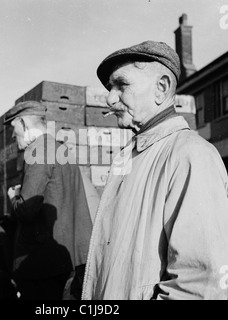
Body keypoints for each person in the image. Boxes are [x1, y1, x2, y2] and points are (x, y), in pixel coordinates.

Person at [81, 40, 228, 300]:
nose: (110, 98)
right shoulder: (133, 154)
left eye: (121, 85)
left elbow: (201, 284)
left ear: (161, 88)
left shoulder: (190, 154)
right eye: (109, 87)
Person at [4, 101, 93, 300]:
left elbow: (27, 211)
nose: (12, 135)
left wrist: (14, 197)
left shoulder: (37, 151)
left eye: (14, 127)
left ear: (24, 123)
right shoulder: (61, 149)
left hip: (42, 262)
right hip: (67, 257)